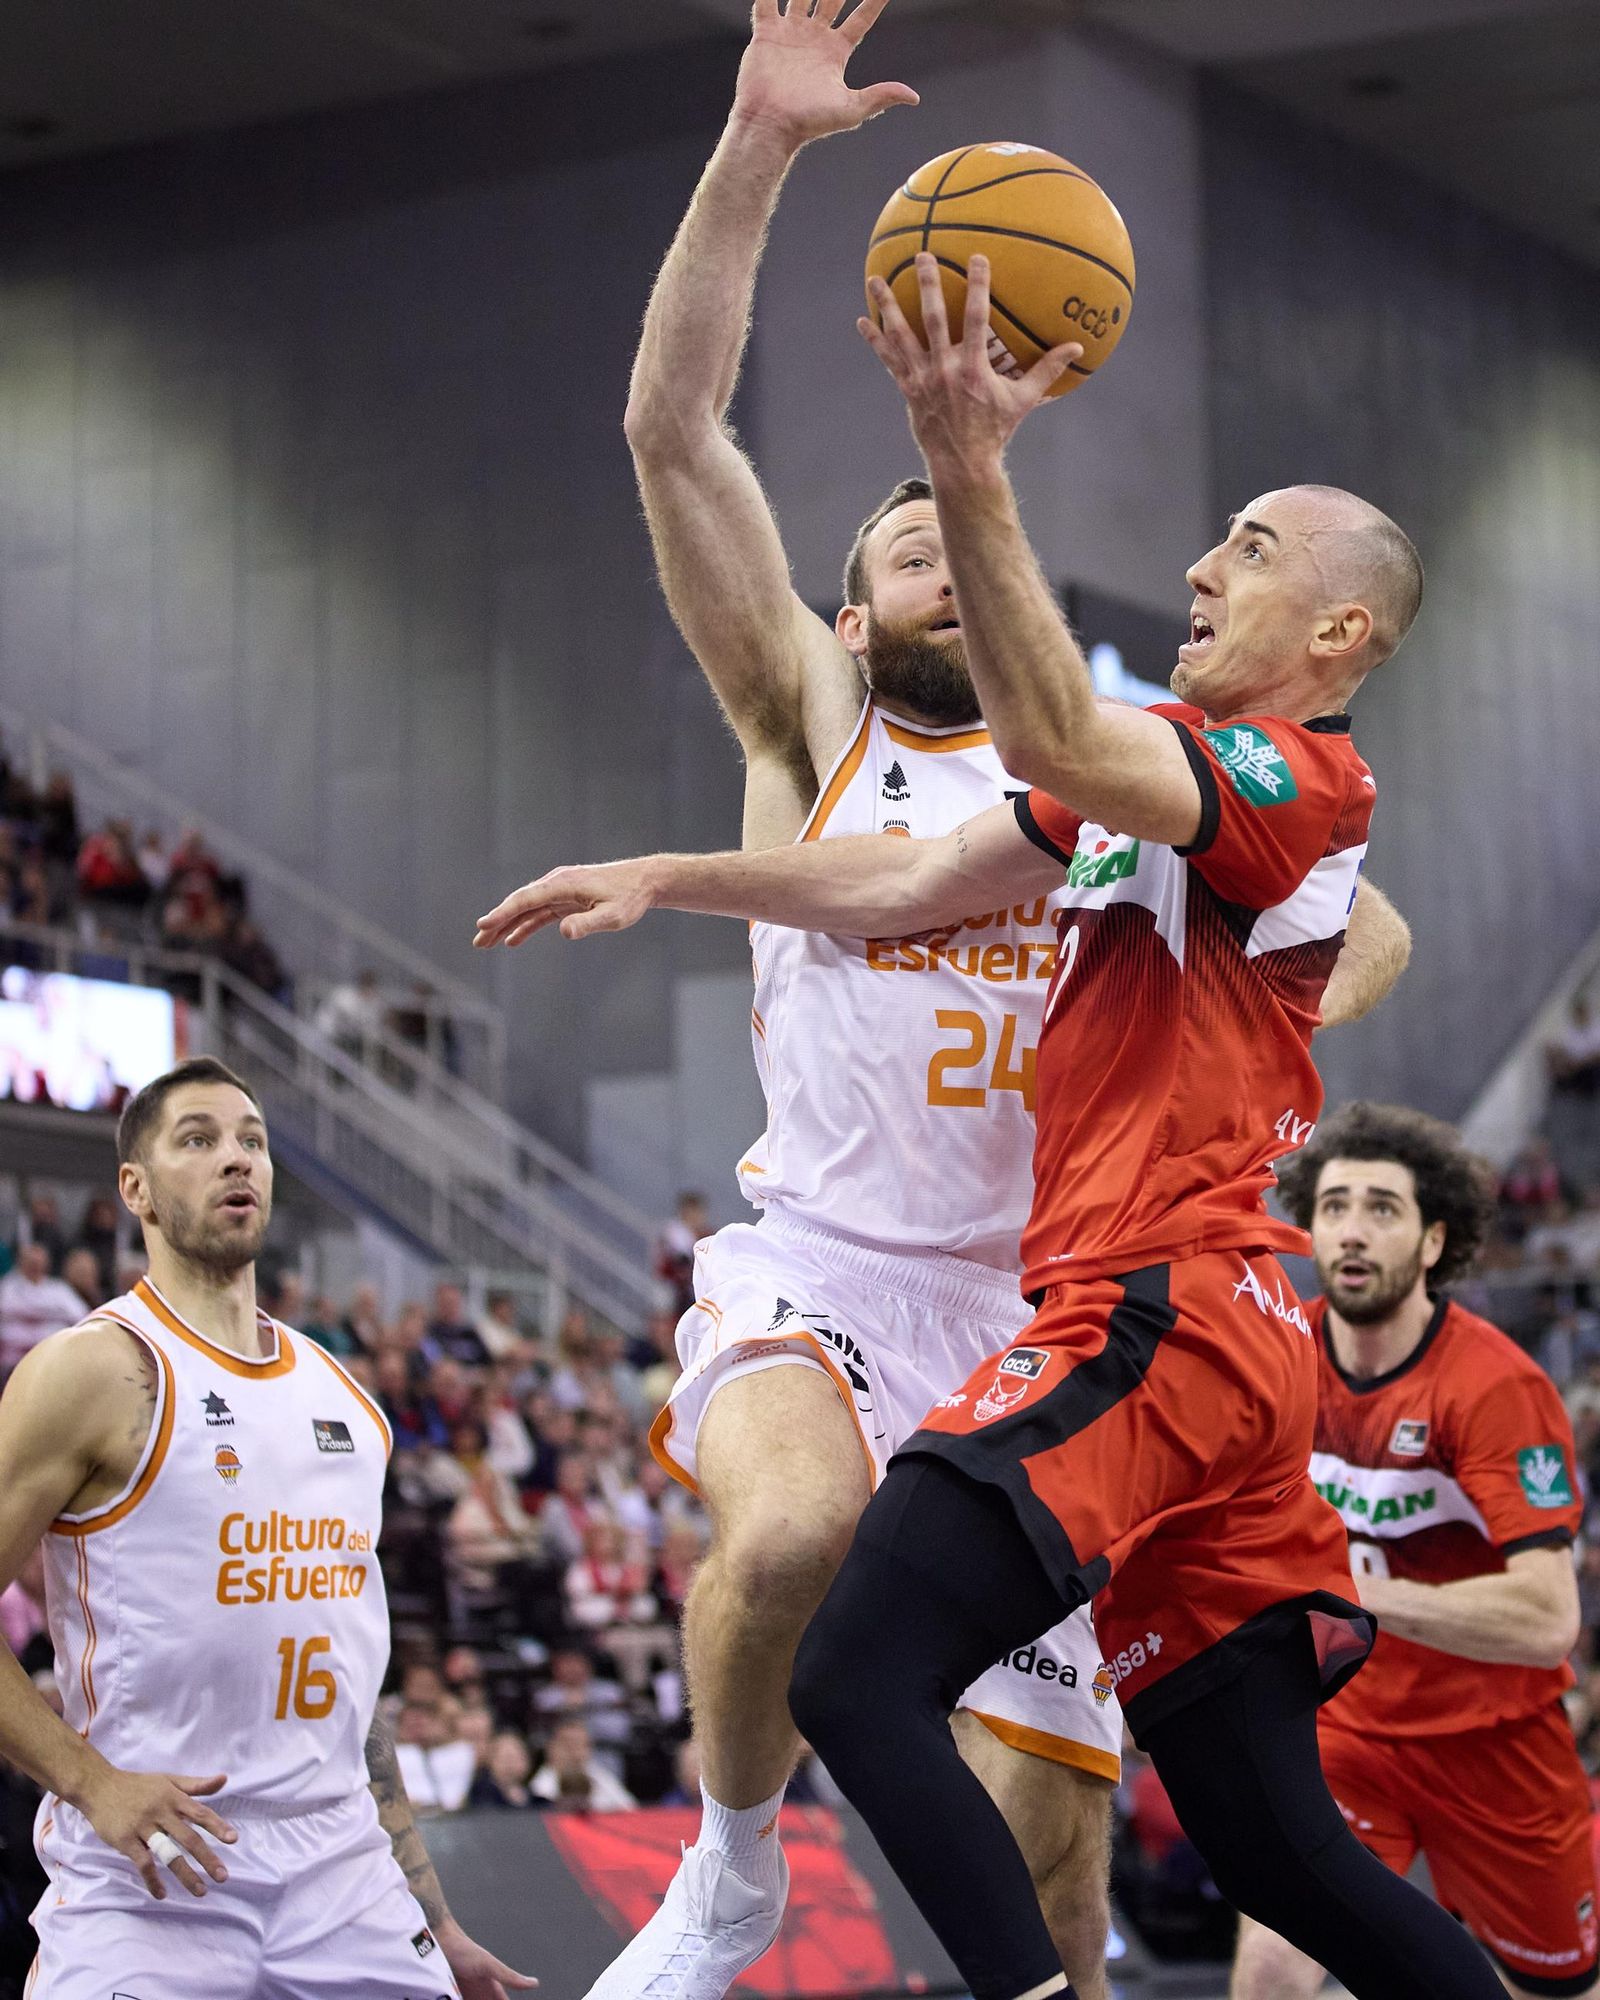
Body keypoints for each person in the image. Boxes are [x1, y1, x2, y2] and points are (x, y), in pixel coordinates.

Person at [485, 6, 1412, 1997]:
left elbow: (1368, 927)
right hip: (825, 1260)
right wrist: (752, 146)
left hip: (1051, 1305)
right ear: (842, 616)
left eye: (947, 538)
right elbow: (671, 429)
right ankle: (732, 1863)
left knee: (1061, 1842)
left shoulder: (1101, 779)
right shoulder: (808, 714)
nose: (927, 549)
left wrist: (1257, 1001)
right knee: (797, 1538)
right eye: (895, 544)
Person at [0, 1055, 532, 1999]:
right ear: (137, 1189)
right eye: (197, 1141)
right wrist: (92, 1784)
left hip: (342, 1876)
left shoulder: (347, 1400)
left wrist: (432, 1916)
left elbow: (349, 1691)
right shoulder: (93, 1371)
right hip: (154, 1869)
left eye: (251, 1140)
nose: (235, 1159)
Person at [1231, 1103, 1593, 2000]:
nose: (1354, 1231)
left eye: (1383, 1209)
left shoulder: (1498, 1386)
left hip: (1495, 1744)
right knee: (1272, 1969)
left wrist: (1356, 1588)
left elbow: (1550, 1620)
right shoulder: (1271, 1352)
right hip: (1342, 1729)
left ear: (1434, 1242)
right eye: (1336, 1206)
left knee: (1555, 1990)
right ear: (1307, 1227)